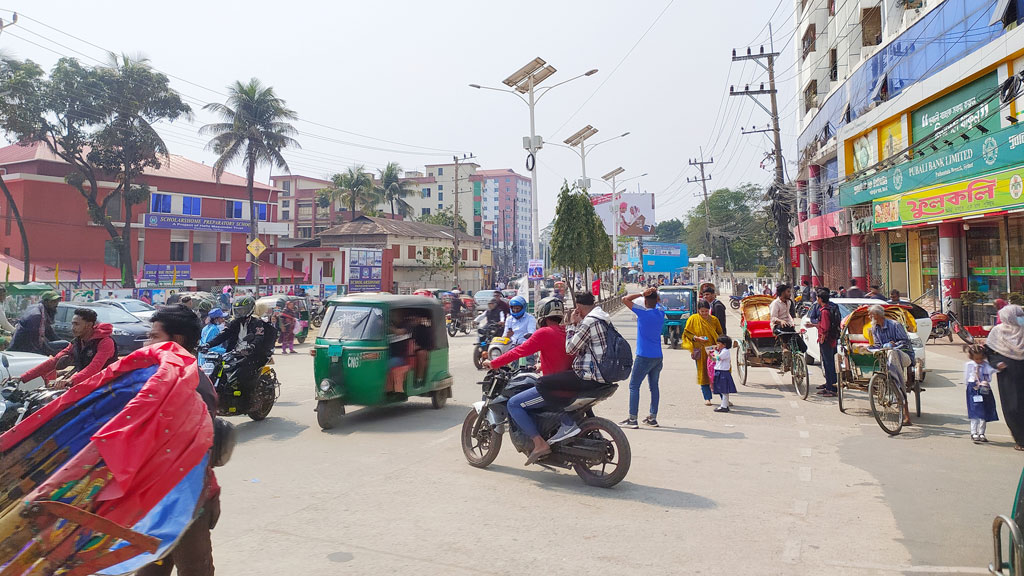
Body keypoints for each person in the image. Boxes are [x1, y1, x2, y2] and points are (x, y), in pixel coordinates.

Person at [137, 304, 220, 576]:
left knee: (194, 570)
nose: (147, 343)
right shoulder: (157, 380)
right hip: (155, 499)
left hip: (186, 501)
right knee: (150, 568)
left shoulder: (194, 385)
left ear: (178, 341)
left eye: (154, 337)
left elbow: (198, 453)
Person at [518, 292, 612, 465]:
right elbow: (570, 355)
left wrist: (493, 362)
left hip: (581, 378)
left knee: (519, 401)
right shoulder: (603, 320)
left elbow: (569, 349)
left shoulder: (577, 325)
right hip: (597, 375)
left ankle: (540, 443)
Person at [13, 308, 116, 389]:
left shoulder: (105, 342)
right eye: (72, 323)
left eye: (77, 324)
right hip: (85, 385)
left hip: (106, 387)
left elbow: (94, 368)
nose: (73, 327)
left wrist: (71, 380)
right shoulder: (77, 342)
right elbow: (54, 361)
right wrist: (22, 377)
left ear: (89, 325)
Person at [203, 295, 277, 395]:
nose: (240, 312)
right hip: (233, 354)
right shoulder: (234, 323)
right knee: (219, 371)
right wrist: (208, 344)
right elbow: (223, 335)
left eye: (242, 310)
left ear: (250, 309)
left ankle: (247, 400)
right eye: (238, 310)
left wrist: (251, 346)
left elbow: (258, 338)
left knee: (243, 377)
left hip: (252, 355)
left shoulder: (257, 323)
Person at [484, 296, 572, 374]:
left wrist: (493, 363)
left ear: (541, 313)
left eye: (517, 308)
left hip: (550, 384)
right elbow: (558, 359)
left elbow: (519, 351)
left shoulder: (542, 331)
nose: (515, 310)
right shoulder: (568, 330)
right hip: (567, 380)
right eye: (513, 308)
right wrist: (542, 365)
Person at [619, 287, 666, 429]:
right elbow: (658, 302)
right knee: (654, 387)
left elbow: (624, 299)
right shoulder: (661, 312)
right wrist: (653, 294)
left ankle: (633, 418)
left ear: (645, 300)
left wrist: (641, 293)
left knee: (634, 386)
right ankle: (653, 417)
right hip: (658, 356)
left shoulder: (642, 313)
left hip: (644, 355)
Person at [867, 303, 914, 425]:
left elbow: (905, 343)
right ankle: (892, 384)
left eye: (870, 314)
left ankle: (899, 390)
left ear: (877, 315)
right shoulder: (874, 329)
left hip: (904, 356)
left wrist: (893, 345)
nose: (869, 316)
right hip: (888, 359)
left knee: (892, 354)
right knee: (888, 355)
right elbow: (878, 345)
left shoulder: (895, 325)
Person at [985, 305, 1024, 450]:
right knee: (1013, 407)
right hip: (1008, 374)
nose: (1021, 318)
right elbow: (989, 353)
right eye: (1018, 315)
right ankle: (1021, 439)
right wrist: (996, 364)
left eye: (1022, 314)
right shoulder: (997, 332)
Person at [683, 299, 723, 405]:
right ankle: (707, 398)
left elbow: (720, 333)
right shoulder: (693, 319)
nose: (704, 313)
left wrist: (720, 345)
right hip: (699, 350)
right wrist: (696, 338)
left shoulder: (714, 320)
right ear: (698, 310)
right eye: (702, 311)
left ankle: (724, 398)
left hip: (712, 350)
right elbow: (687, 333)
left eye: (706, 311)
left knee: (717, 373)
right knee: (703, 373)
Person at [809, 289, 840, 397]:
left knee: (828, 363)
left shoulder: (824, 311)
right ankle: (829, 386)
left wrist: (822, 336)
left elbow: (825, 327)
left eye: (817, 297)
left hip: (826, 340)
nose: (816, 299)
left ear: (820, 299)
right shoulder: (828, 308)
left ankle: (832, 388)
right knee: (829, 363)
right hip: (831, 339)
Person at [964, 345, 999, 443]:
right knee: (974, 411)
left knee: (984, 411)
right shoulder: (969, 365)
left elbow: (993, 370)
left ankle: (982, 433)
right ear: (972, 357)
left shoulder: (986, 365)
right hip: (973, 387)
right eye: (976, 359)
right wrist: (970, 386)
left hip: (984, 388)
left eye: (980, 358)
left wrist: (999, 367)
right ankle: (973, 432)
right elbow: (966, 377)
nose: (979, 361)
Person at [10, 290, 61, 355]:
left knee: (66, 345)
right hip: (23, 350)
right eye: (53, 301)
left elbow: (51, 334)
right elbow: (35, 341)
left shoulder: (43, 314)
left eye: (57, 301)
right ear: (45, 302)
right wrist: (51, 352)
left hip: (31, 347)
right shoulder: (37, 316)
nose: (56, 304)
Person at [711, 335, 737, 413]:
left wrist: (715, 352)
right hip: (720, 371)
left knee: (724, 391)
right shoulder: (722, 351)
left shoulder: (725, 351)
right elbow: (715, 359)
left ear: (724, 344)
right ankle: (724, 405)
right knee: (723, 390)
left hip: (723, 372)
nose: (717, 345)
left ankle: (724, 406)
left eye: (719, 343)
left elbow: (718, 358)